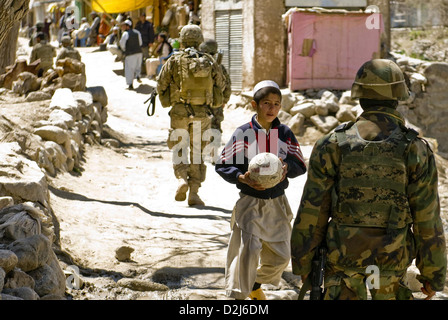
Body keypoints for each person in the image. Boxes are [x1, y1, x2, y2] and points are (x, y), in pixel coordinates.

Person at [290, 59, 447, 300]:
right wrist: (433, 274)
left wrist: (303, 264)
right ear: (398, 97)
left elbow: (313, 210)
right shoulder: (415, 149)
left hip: (340, 269)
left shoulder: (331, 144)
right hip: (391, 273)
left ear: (359, 96)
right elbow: (427, 218)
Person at [215, 80, 307, 300]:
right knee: (246, 254)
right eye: (266, 103)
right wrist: (241, 177)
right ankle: (238, 298)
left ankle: (255, 283)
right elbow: (223, 164)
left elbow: (300, 165)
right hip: (250, 203)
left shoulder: (284, 133)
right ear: (254, 105)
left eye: (276, 104)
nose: (272, 108)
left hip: (277, 202)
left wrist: (286, 168)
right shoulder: (243, 133)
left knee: (282, 257)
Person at [156, 24, 226, 206]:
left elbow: (161, 83)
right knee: (197, 152)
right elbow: (222, 83)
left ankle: (181, 180)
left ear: (182, 39)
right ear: (199, 40)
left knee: (180, 147)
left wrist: (167, 100)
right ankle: (194, 192)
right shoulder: (209, 60)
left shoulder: (174, 60)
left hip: (179, 112)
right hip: (202, 113)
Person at [199, 38, 231, 159]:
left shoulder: (199, 66)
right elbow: (227, 85)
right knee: (216, 127)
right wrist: (224, 101)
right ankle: (214, 154)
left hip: (201, 102)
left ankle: (203, 154)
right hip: (216, 102)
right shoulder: (219, 67)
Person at [119, 19, 143, 90]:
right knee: (138, 66)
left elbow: (122, 44)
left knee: (129, 69)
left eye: (124, 26)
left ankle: (130, 84)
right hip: (139, 52)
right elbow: (140, 43)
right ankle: (138, 75)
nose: (122, 27)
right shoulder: (137, 32)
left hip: (130, 54)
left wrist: (124, 50)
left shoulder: (125, 34)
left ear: (127, 26)